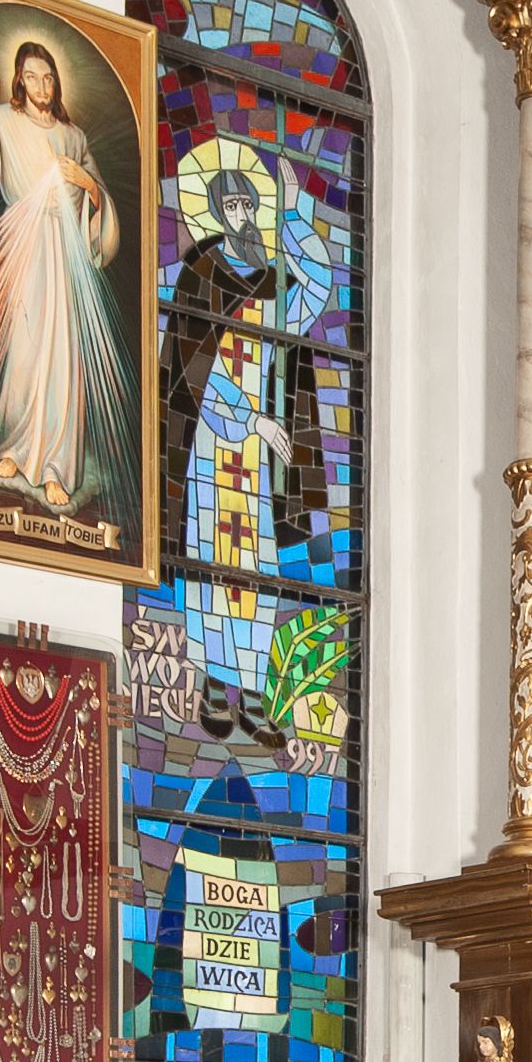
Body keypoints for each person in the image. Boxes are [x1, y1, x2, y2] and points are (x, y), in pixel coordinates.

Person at [160, 158, 333, 743]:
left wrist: (294, 212)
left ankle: (253, 696)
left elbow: (318, 285)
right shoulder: (200, 275)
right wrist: (251, 419)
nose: (241, 216)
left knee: (256, 571)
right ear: (216, 213)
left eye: (248, 205)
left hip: (256, 462)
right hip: (214, 446)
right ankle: (213, 685)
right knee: (212, 561)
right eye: (230, 207)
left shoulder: (274, 283)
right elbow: (194, 369)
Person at [0, 37, 130, 523]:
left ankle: (55, 468)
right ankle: (14, 449)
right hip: (24, 240)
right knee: (24, 350)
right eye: (31, 77)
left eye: (48, 78)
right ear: (19, 81)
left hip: (65, 250)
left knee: (63, 358)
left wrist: (86, 183)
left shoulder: (73, 136)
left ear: (55, 83)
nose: (41, 86)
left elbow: (100, 202)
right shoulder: (4, 119)